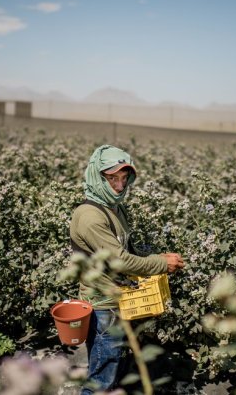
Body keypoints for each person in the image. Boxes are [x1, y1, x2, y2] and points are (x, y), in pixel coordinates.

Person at [69, 144, 185, 395]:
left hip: (118, 298)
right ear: (97, 176)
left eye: (124, 179)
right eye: (112, 178)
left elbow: (125, 250)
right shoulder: (90, 216)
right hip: (102, 305)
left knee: (112, 364)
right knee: (102, 375)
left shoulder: (114, 206)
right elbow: (120, 260)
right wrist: (161, 264)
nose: (120, 187)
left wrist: (155, 258)